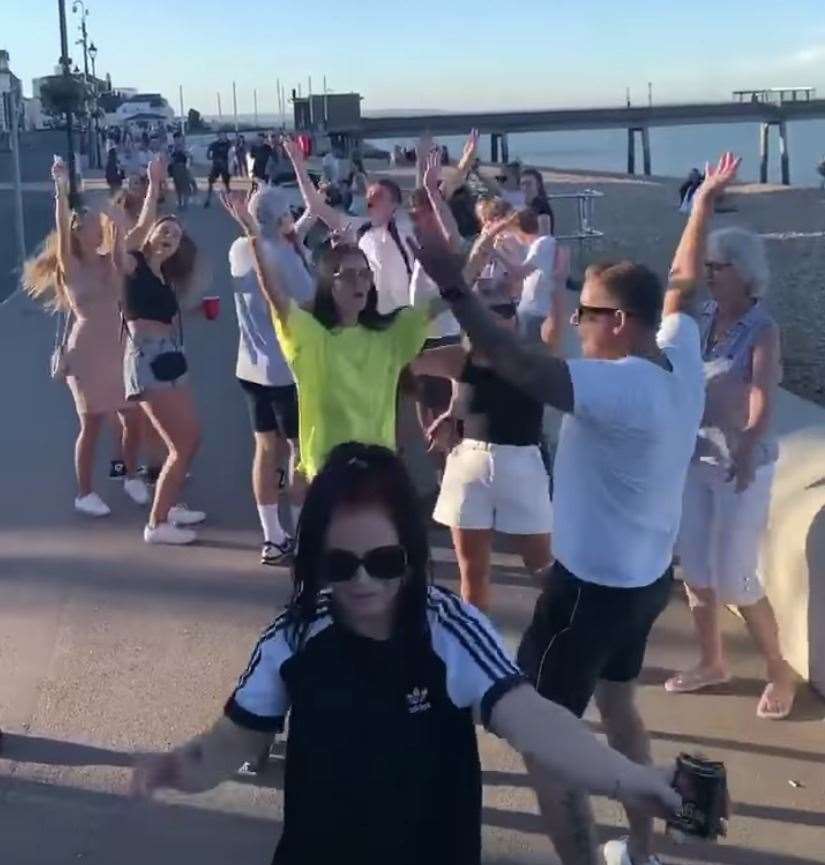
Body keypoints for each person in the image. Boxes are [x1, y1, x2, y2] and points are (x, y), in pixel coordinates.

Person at [410, 152, 741, 865]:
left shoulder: (619, 388)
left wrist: (447, 278)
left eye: (586, 310)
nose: (577, 319)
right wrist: (703, 203)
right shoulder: (674, 354)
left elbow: (512, 358)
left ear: (618, 322)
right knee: (620, 710)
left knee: (543, 739)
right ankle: (642, 852)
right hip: (643, 581)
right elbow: (681, 283)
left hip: (587, 590)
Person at [132, 442, 681, 865]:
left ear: (413, 556)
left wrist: (633, 780)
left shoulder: (450, 631)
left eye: (385, 560)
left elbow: (538, 722)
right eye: (340, 565)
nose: (363, 581)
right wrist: (176, 768)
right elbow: (233, 741)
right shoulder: (294, 639)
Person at [666, 226, 796, 720]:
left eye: (718, 267)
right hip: (694, 460)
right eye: (710, 267)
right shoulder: (700, 318)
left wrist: (746, 444)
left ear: (743, 273)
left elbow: (763, 393)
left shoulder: (761, 328)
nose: (711, 275)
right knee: (696, 571)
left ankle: (778, 670)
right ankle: (711, 661)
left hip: (741, 466)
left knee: (737, 579)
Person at [412, 287, 552, 611]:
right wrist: (452, 411)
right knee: (472, 572)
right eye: (485, 311)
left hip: (521, 464)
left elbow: (555, 325)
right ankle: (476, 648)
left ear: (516, 319)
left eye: (505, 309)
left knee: (544, 569)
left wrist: (554, 283)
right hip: (468, 465)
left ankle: (567, 642)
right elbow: (403, 361)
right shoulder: (459, 358)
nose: (496, 317)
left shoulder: (531, 358)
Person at [22, 157, 149, 515]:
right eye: (91, 226)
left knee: (134, 418)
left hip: (121, 348)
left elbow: (126, 228)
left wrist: (110, 207)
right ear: (78, 233)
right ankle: (84, 493)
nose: (98, 229)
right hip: (87, 353)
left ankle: (127, 476)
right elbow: (62, 224)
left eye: (99, 225)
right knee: (92, 424)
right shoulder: (71, 264)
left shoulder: (111, 260)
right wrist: (60, 189)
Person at [111, 156, 206, 545]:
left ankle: (169, 506)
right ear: (151, 234)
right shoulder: (133, 263)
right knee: (182, 442)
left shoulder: (163, 278)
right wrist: (153, 185)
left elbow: (163, 315)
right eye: (164, 230)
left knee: (188, 440)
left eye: (177, 236)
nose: (170, 237)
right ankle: (157, 524)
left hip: (168, 355)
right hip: (148, 359)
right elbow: (135, 231)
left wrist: (199, 309)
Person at [221, 187, 316, 565]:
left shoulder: (238, 250)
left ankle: (272, 537)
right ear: (280, 218)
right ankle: (303, 534)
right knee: (298, 451)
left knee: (265, 449)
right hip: (286, 371)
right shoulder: (284, 258)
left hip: (249, 366)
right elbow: (310, 301)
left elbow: (262, 242)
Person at [282, 136, 414, 315]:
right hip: (375, 317)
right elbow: (315, 205)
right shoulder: (359, 229)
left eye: (379, 197)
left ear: (395, 204)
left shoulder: (408, 227)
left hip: (406, 314)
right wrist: (297, 163)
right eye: (370, 197)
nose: (370, 201)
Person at [491, 208, 567, 347]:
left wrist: (495, 253)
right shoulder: (538, 246)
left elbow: (518, 273)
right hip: (532, 312)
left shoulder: (543, 244)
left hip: (536, 313)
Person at [519, 168, 556, 235]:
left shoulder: (542, 207)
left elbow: (544, 235)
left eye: (528, 184)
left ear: (538, 185)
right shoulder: (525, 206)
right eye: (522, 184)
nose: (525, 188)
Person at [204, 131, 231, 208]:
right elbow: (208, 154)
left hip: (225, 166)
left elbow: (233, 152)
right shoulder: (214, 144)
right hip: (216, 165)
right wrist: (212, 158)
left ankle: (229, 200)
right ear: (218, 136)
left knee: (226, 184)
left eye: (224, 135)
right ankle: (208, 199)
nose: (222, 137)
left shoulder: (229, 144)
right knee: (210, 181)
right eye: (221, 135)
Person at [169, 133, 193, 211]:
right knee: (177, 186)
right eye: (175, 139)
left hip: (183, 167)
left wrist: (184, 152)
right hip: (175, 168)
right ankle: (179, 203)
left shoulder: (184, 147)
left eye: (178, 138)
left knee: (185, 186)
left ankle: (185, 204)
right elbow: (170, 158)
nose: (177, 140)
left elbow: (190, 157)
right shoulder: (172, 148)